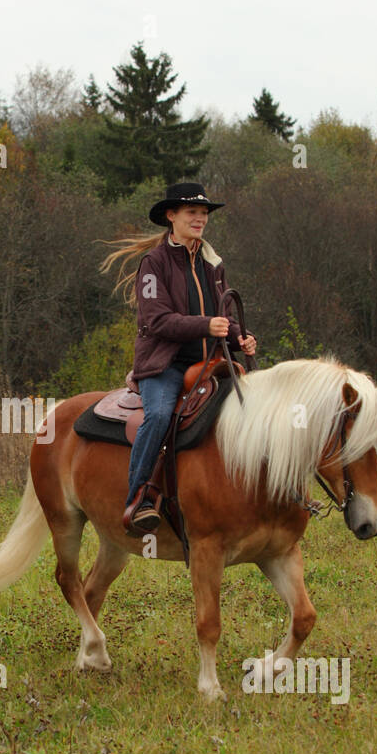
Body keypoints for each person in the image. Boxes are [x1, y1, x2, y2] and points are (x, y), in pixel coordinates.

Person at [99, 182, 257, 536]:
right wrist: (208, 325)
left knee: (255, 406)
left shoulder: (212, 263)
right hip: (165, 365)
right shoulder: (153, 265)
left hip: (211, 364)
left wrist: (238, 336)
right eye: (192, 213)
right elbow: (156, 320)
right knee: (156, 416)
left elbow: (224, 317)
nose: (199, 219)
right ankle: (138, 499)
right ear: (171, 217)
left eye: (203, 214)